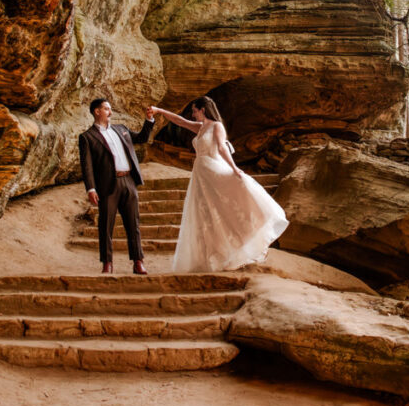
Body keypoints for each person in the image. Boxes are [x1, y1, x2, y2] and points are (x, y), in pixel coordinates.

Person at [150, 96, 289, 273]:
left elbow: (222, 148)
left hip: (214, 169)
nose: (193, 114)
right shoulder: (200, 127)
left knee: (224, 206)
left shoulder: (217, 126)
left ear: (203, 109)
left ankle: (243, 239)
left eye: (195, 110)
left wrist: (234, 168)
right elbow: (179, 121)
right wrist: (159, 111)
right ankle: (211, 256)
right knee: (205, 213)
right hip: (201, 175)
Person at [78, 99, 155, 274]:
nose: (110, 112)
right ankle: (107, 264)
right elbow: (87, 165)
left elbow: (142, 138)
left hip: (128, 181)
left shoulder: (122, 129)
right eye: (106, 109)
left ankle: (138, 262)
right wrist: (91, 188)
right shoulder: (87, 137)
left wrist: (149, 120)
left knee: (133, 223)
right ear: (97, 112)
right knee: (105, 225)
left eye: (110, 109)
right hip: (107, 185)